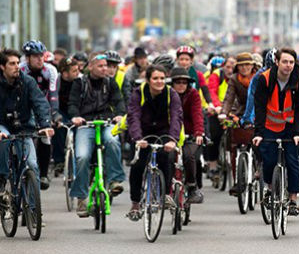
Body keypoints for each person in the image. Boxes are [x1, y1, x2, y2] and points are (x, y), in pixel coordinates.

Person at [68, 53, 126, 217]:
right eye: (100, 66)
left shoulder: (110, 82)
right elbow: (72, 104)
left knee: (113, 141)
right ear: (90, 67)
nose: (105, 69)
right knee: (82, 157)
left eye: (106, 65)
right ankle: (81, 198)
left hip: (106, 123)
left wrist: (120, 114)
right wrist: (75, 117)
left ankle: (115, 179)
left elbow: (119, 101)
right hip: (86, 125)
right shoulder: (79, 83)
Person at [253, 48, 299, 216]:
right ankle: (270, 188)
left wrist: (298, 132)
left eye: (291, 62)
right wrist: (259, 133)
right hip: (269, 125)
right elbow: (260, 107)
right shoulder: (265, 79)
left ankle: (292, 200)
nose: (288, 65)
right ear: (277, 62)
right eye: (285, 61)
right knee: (268, 160)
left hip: (291, 126)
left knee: (292, 161)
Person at [126, 65, 183, 220]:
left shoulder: (172, 94)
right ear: (148, 80)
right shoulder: (138, 93)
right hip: (143, 134)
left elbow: (176, 118)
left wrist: (172, 140)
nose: (159, 81)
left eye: (162, 78)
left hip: (164, 132)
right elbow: (133, 116)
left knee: (166, 157)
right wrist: (137, 138)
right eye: (155, 78)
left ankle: (165, 195)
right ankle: (135, 203)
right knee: (138, 164)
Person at [0, 49, 54, 194]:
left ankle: (33, 209)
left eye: (18, 62)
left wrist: (45, 125)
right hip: (2, 126)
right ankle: (2, 180)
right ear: (2, 67)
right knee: (3, 142)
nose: (17, 66)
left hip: (23, 126)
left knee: (31, 164)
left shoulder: (27, 82)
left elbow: (40, 103)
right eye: (12, 63)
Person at [20, 40, 60, 190]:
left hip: (43, 106)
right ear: (27, 58)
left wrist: (53, 115)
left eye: (41, 55)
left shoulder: (50, 70)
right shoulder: (20, 69)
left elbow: (53, 95)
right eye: (35, 56)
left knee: (45, 137)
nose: (40, 59)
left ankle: (43, 174)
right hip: (26, 106)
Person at [220, 52, 257, 196]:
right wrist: (224, 112)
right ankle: (237, 180)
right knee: (235, 145)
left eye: (247, 64)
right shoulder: (234, 79)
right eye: (241, 65)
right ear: (237, 67)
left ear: (252, 66)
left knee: (260, 143)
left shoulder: (259, 77)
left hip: (259, 112)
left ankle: (259, 168)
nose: (244, 68)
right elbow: (229, 98)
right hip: (242, 112)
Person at [169, 67, 205, 203]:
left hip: (189, 133)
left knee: (190, 156)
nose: (181, 85)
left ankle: (192, 187)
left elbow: (197, 114)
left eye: (184, 82)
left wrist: (199, 133)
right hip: (170, 134)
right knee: (167, 157)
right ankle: (165, 188)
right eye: (178, 82)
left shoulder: (193, 94)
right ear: (172, 83)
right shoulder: (167, 94)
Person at [205, 57, 236, 180]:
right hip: (218, 110)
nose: (230, 70)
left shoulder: (239, 77)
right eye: (227, 67)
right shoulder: (216, 75)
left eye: (232, 67)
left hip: (234, 110)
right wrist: (218, 107)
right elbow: (212, 92)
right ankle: (213, 165)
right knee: (214, 136)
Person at [52, 57, 80, 176]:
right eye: (74, 71)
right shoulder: (56, 81)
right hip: (61, 111)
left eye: (78, 70)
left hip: (77, 111)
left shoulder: (80, 81)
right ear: (64, 73)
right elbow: (52, 100)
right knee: (58, 128)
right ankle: (59, 161)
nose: (77, 73)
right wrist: (55, 116)